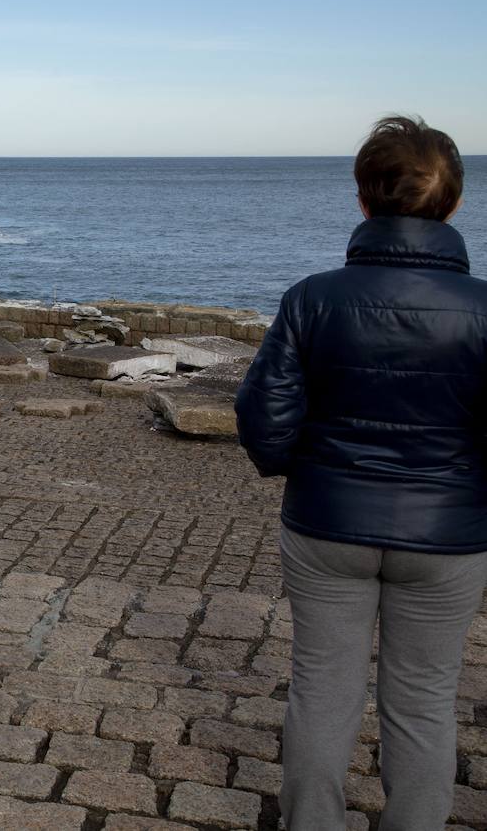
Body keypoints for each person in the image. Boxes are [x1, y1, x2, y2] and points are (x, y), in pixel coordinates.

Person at [236, 115, 485, 829]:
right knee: (426, 701)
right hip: (447, 532)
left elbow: (265, 422)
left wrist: (301, 467)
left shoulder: (312, 298)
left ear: (363, 199)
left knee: (322, 689)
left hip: (327, 523)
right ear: (455, 204)